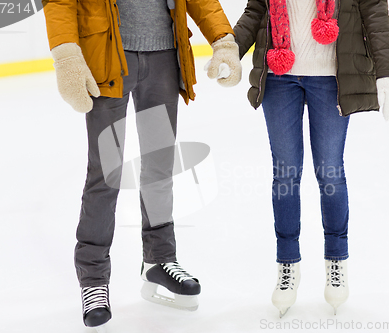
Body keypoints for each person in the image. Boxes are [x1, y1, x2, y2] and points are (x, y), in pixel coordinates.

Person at [42, 0, 241, 330]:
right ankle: (93, 278)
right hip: (107, 58)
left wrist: (222, 40)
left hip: (163, 58)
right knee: (106, 172)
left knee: (159, 167)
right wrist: (65, 54)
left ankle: (159, 260)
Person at [233, 0, 389, 317]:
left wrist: (387, 72)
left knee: (330, 172)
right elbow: (255, 12)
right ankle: (287, 264)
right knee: (285, 174)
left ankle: (336, 259)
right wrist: (231, 49)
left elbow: (375, 13)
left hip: (332, 78)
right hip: (279, 76)